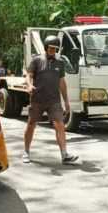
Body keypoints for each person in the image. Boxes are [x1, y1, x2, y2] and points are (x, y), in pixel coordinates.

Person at [23, 35, 79, 165]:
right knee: (31, 124)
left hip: (54, 101)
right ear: (46, 47)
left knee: (59, 125)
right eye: (51, 48)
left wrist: (66, 101)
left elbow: (62, 83)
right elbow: (29, 75)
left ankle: (64, 154)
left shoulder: (60, 63)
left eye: (55, 49)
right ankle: (26, 151)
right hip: (37, 99)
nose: (53, 51)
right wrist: (29, 85)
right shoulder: (36, 61)